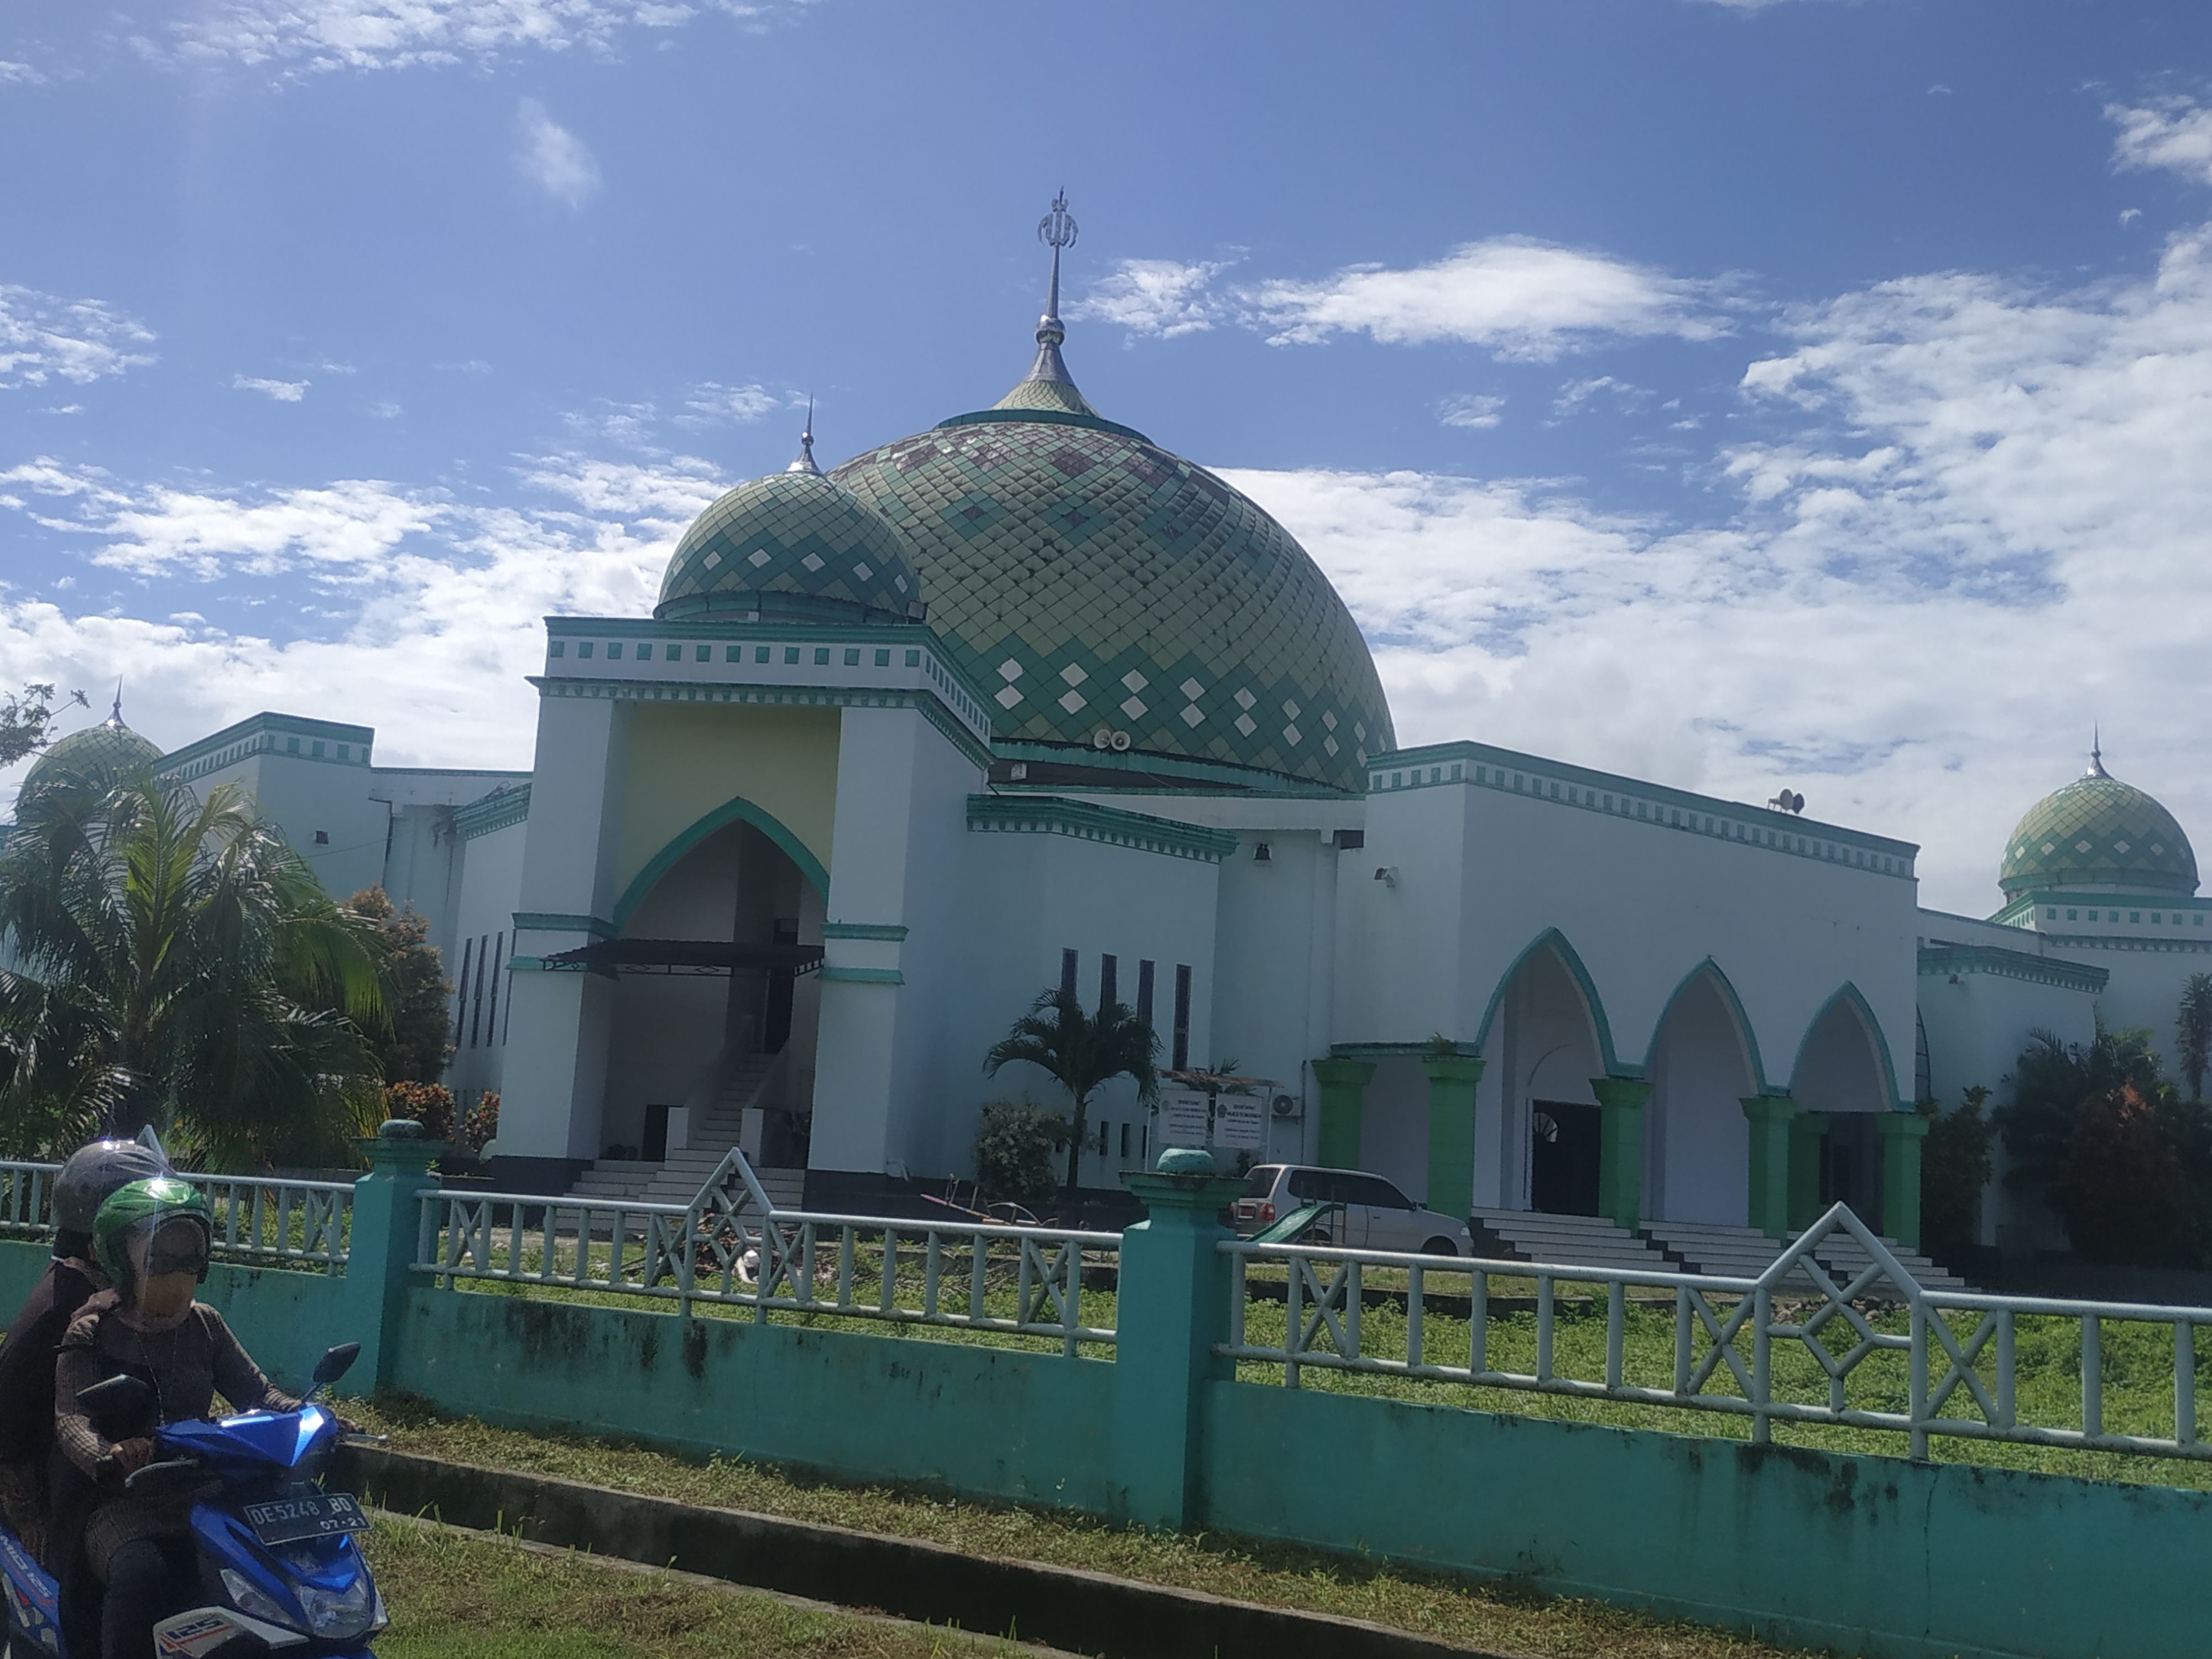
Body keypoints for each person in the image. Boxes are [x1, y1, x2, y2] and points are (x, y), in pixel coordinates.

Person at [53, 1177, 296, 1659]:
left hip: (204, 1494)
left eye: (190, 1255)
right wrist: (110, 1453)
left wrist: (312, 1415)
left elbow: (260, 1394)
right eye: (162, 1255)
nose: (179, 1268)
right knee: (141, 1577)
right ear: (121, 1258)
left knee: (262, 1580)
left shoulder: (206, 1325)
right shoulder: (92, 1332)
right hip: (122, 1503)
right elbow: (70, 1418)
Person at [0, 1139, 169, 1559]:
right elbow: (11, 1422)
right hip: (60, 1492)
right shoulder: (69, 1308)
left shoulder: (93, 1291)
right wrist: (30, 1518)